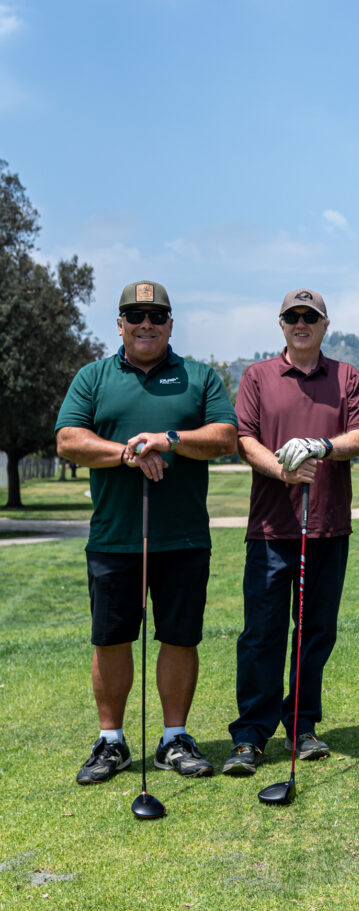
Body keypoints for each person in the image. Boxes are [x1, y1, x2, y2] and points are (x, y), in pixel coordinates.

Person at [56, 280, 238, 785]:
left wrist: (169, 439)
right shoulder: (93, 378)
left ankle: (173, 739)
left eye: (156, 315)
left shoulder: (199, 377)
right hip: (115, 537)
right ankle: (111, 742)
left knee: (179, 638)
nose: (146, 324)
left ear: (171, 325)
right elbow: (69, 439)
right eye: (135, 315)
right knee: (111, 640)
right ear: (119, 324)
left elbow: (226, 436)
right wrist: (128, 453)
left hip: (182, 538)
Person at [224, 288, 359, 775]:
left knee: (314, 632)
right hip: (271, 527)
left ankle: (302, 726)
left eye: (311, 317)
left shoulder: (345, 376)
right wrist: (282, 470)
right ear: (281, 324)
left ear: (325, 325)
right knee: (262, 634)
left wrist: (322, 446)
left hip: (327, 527)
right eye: (293, 317)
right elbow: (245, 441)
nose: (301, 323)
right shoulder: (258, 376)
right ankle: (251, 734)